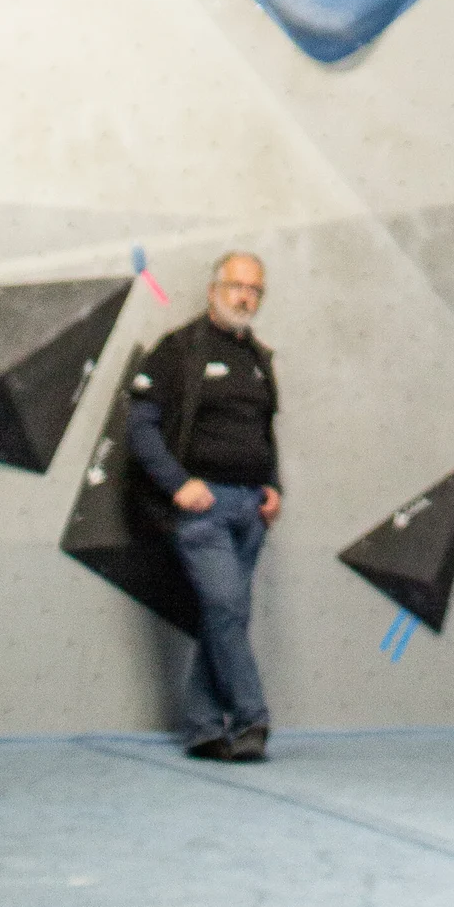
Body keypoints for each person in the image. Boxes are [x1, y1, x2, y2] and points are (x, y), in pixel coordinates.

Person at [126, 251, 281, 761]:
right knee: (226, 607)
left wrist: (272, 486)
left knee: (225, 616)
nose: (244, 297)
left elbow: (263, 432)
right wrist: (177, 484)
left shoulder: (259, 357)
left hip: (250, 509)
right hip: (203, 509)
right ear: (214, 288)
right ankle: (252, 719)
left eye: (254, 290)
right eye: (237, 286)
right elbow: (141, 426)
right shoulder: (179, 350)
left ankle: (200, 727)